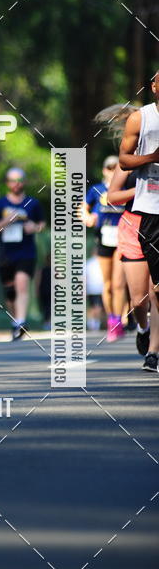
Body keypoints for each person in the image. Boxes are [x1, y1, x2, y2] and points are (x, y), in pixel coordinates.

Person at [119, 71, 159, 368]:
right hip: (150, 211)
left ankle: (154, 351)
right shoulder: (140, 119)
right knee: (144, 296)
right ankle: (145, 332)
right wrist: (152, 158)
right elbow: (124, 160)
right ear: (154, 87)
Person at [107, 164, 159, 369]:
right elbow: (112, 197)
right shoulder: (130, 160)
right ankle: (143, 328)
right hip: (132, 227)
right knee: (138, 301)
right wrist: (140, 190)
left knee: (156, 293)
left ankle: (153, 352)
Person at [0, 168, 45, 341]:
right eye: (12, 180)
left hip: (26, 252)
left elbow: (42, 224)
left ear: (24, 182)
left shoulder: (32, 203)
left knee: (22, 284)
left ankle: (21, 322)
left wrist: (34, 227)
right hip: (5, 254)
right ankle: (15, 321)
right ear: (7, 183)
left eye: (19, 180)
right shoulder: (0, 205)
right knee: (10, 293)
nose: (16, 184)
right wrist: (7, 220)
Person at [83, 156, 127, 341]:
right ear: (104, 170)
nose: (112, 171)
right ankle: (112, 319)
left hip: (122, 239)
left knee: (118, 283)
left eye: (116, 168)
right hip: (103, 239)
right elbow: (82, 209)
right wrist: (87, 218)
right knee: (107, 283)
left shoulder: (126, 188)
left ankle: (118, 320)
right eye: (109, 168)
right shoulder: (96, 189)